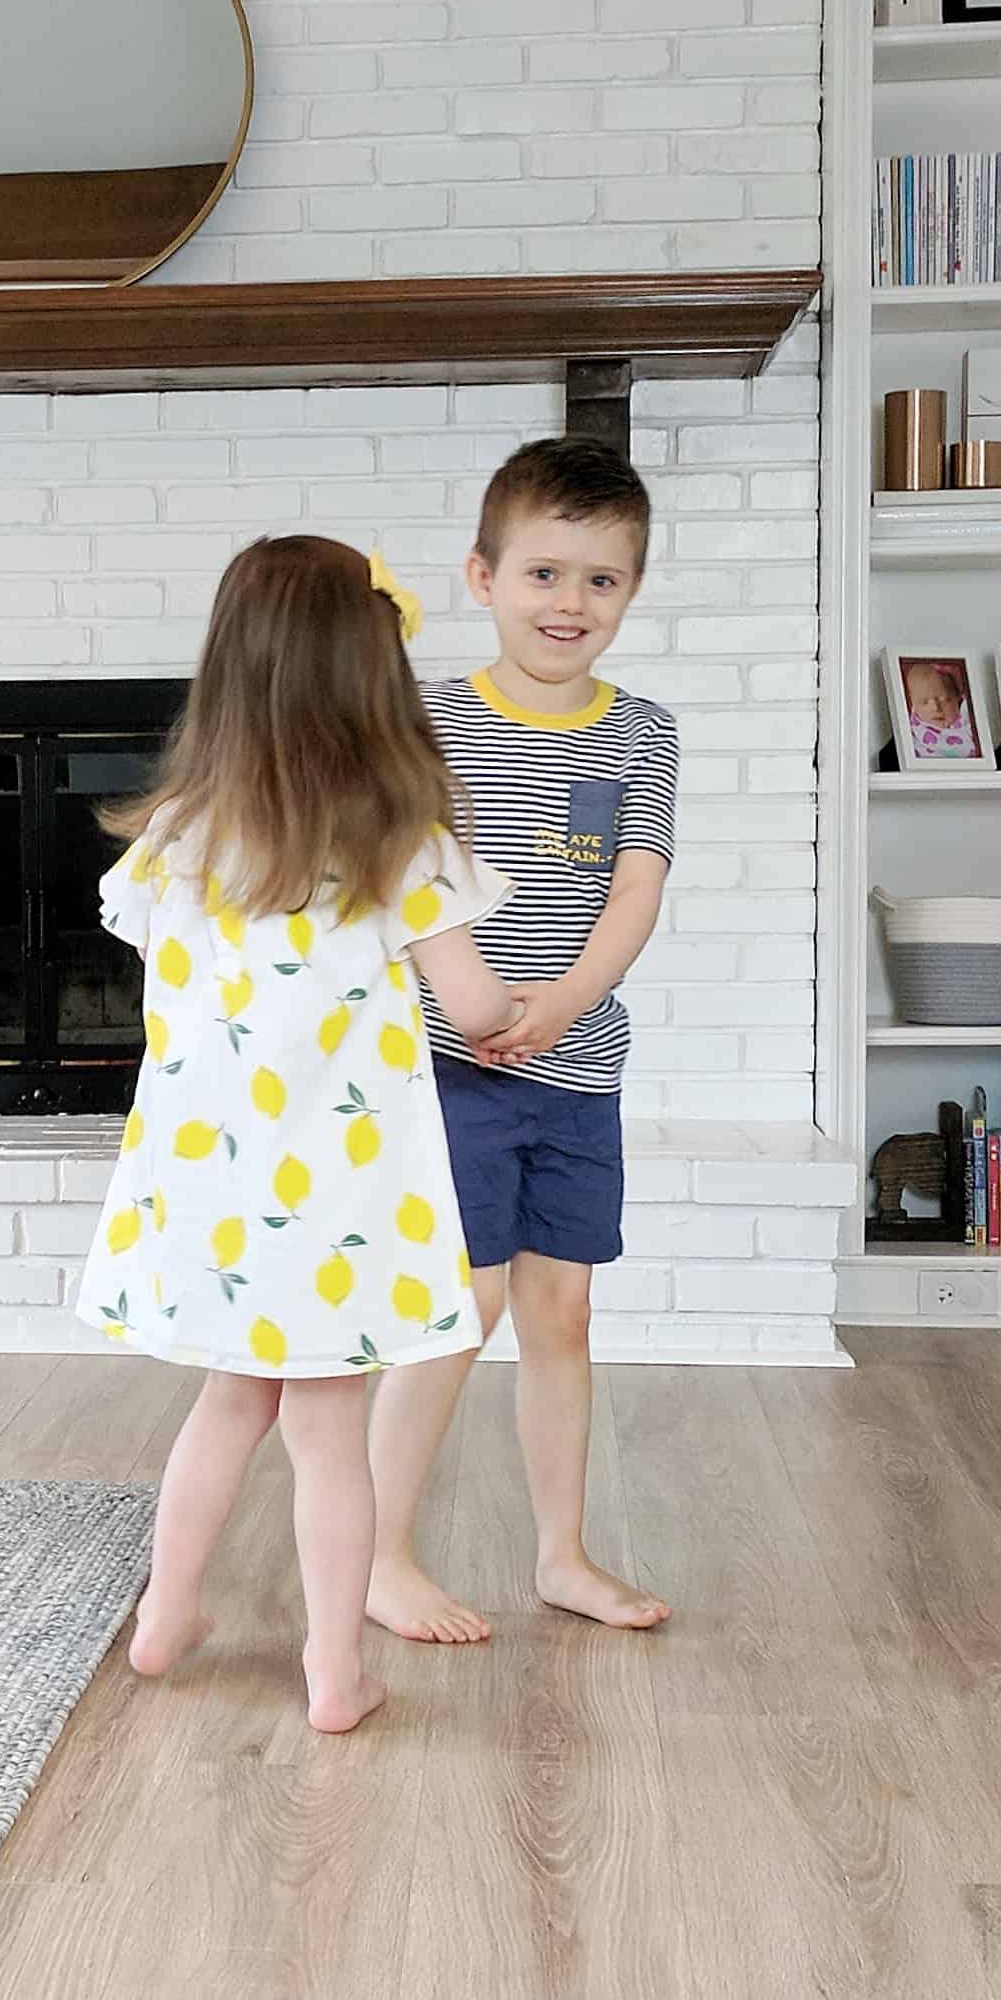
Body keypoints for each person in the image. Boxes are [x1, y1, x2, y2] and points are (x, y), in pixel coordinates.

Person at [75, 532, 525, 1734]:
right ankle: (334, 1672)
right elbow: (473, 1003)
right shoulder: (400, 845)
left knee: (230, 1402)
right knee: (331, 1437)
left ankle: (167, 1612)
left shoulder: (174, 837)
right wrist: (515, 1022)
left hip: (214, 1192)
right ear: (370, 675)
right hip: (335, 1201)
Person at [364, 437, 677, 1646]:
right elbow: (406, 883)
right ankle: (382, 1555)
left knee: (561, 1315)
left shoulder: (640, 731)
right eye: (545, 574)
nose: (571, 603)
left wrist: (561, 1004)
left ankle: (561, 1555)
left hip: (577, 1068)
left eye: (601, 581)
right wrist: (484, 1005)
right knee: (460, 1308)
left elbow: (635, 889)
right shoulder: (430, 721)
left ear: (630, 594)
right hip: (453, 1065)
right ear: (482, 577)